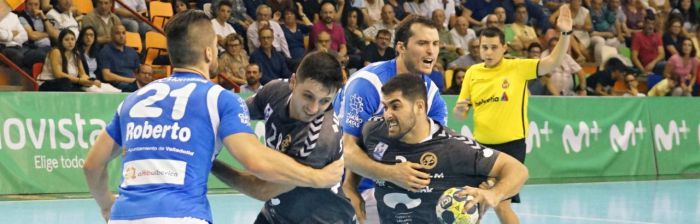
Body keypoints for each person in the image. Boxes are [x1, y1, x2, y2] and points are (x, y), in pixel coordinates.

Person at [83, 10, 343, 224]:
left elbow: (92, 165)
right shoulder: (218, 99)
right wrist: (318, 177)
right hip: (182, 216)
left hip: (124, 216)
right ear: (209, 52)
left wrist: (106, 204)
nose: (314, 106)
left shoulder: (133, 100)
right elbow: (257, 163)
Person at [453, 4, 573, 223]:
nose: (488, 52)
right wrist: (460, 109)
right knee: (479, 202)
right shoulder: (472, 73)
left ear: (504, 48)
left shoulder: (517, 68)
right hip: (481, 147)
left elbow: (552, 62)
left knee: (497, 203)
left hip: (511, 147)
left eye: (493, 47)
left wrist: (565, 34)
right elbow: (461, 110)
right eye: (484, 47)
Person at [359, 74, 528, 223]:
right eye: (385, 107)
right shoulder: (374, 131)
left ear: (419, 107)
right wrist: (356, 184)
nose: (387, 114)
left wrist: (493, 194)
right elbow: (353, 156)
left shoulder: (453, 148)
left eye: (395, 106)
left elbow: (518, 170)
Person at [211, 51, 355, 223]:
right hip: (275, 215)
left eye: (325, 101)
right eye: (308, 96)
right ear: (293, 82)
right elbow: (234, 113)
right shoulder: (274, 91)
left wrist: (209, 162)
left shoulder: (320, 139)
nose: (314, 108)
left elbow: (262, 189)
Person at [334, 16, 447, 224]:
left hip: (393, 182)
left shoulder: (432, 96)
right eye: (422, 43)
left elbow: (438, 149)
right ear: (401, 47)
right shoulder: (368, 84)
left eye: (435, 44)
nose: (431, 51)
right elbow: (347, 150)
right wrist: (389, 174)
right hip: (340, 181)